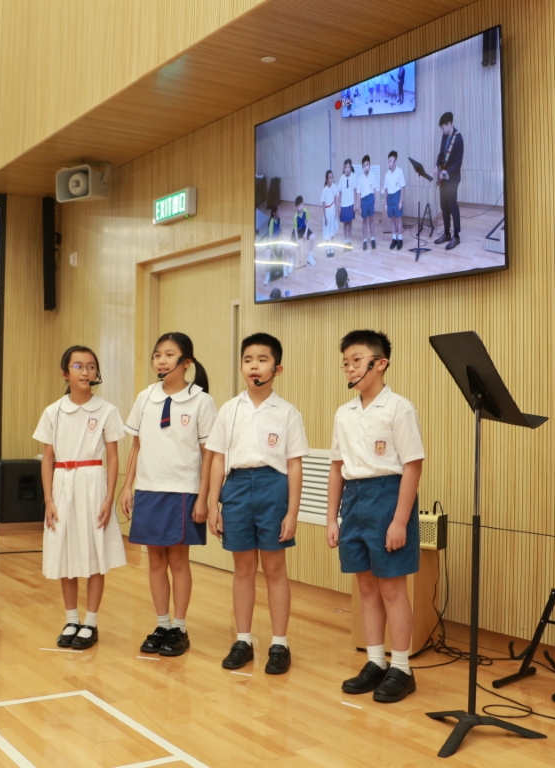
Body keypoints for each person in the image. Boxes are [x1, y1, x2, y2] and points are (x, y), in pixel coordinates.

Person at [326, 330, 424, 703]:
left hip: (388, 496)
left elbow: (413, 466)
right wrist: (332, 518)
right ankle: (375, 661)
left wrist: (399, 520)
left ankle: (401, 667)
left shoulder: (399, 408)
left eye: (357, 360)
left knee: (392, 588)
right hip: (354, 500)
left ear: (380, 363)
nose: (350, 368)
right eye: (345, 363)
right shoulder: (344, 413)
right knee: (366, 587)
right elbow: (337, 467)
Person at [206, 333, 308, 674]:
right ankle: (243, 640)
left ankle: (279, 644)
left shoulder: (288, 413)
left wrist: (292, 511)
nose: (254, 366)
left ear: (277, 369)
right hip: (236, 488)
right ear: (241, 367)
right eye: (248, 360)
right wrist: (212, 503)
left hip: (273, 487)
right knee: (243, 569)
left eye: (262, 360)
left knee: (275, 569)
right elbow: (217, 459)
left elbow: (295, 464)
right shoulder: (229, 409)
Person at [119, 332, 216, 657]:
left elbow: (209, 455)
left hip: (183, 492)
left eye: (169, 354)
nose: (161, 360)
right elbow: (136, 445)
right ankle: (162, 624)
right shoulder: (145, 397)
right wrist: (127, 486)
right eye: (157, 354)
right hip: (148, 490)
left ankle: (180, 628)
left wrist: (204, 497)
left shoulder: (201, 400)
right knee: (155, 560)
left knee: (178, 560)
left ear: (186, 362)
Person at [34, 345, 127, 650]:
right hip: (62, 483)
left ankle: (91, 622)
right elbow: (48, 458)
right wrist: (49, 500)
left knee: (95, 552)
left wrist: (109, 498)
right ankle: (71, 619)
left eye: (90, 366)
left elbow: (113, 457)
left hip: (93, 482)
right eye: (78, 366)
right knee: (65, 551)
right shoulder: (53, 411)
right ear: (65, 373)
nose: (85, 371)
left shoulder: (107, 410)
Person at [434, 112, 464, 251]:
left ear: (450, 124)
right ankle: (446, 233)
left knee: (452, 206)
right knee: (444, 205)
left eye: (443, 127)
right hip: (443, 178)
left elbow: (458, 163)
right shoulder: (444, 136)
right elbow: (441, 154)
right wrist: (436, 166)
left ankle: (456, 236)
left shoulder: (458, 139)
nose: (442, 130)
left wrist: (447, 172)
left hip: (452, 179)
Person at [383, 151, 406, 251]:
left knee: (398, 220)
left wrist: (401, 201)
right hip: (390, 198)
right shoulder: (387, 174)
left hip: (397, 197)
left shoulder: (399, 172)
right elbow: (385, 189)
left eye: (391, 161)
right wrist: (385, 203)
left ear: (395, 161)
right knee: (392, 220)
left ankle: (400, 239)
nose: (390, 163)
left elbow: (403, 188)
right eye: (388, 161)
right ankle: (394, 239)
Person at [358, 155, 377, 251]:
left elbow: (375, 190)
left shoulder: (373, 176)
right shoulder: (360, 179)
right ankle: (365, 240)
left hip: (371, 199)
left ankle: (372, 238)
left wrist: (375, 203)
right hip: (364, 201)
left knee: (371, 220)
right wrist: (359, 206)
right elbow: (358, 193)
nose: (366, 167)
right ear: (362, 167)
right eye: (364, 165)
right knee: (364, 221)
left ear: (370, 165)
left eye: (367, 165)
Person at [337, 159, 357, 249]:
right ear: (343, 169)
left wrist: (355, 204)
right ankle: (345, 239)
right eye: (345, 168)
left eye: (348, 167)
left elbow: (355, 191)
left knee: (350, 222)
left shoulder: (353, 177)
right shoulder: (341, 179)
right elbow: (339, 192)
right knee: (345, 224)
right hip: (343, 205)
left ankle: (349, 239)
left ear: (350, 168)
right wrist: (338, 206)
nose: (347, 169)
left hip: (351, 204)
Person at [292, 196, 316, 267]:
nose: (299, 208)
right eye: (297, 206)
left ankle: (310, 256)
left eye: (300, 205)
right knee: (291, 245)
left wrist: (305, 233)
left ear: (302, 204)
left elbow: (308, 222)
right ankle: (292, 260)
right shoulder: (295, 217)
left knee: (313, 237)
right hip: (297, 231)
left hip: (304, 229)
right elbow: (295, 231)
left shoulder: (305, 211)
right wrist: (297, 242)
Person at [320, 170, 338, 259]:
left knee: (332, 229)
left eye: (332, 177)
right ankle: (328, 247)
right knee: (327, 230)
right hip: (327, 211)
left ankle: (332, 247)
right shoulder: (324, 191)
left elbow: (335, 197)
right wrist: (325, 217)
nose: (331, 179)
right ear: (326, 180)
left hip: (333, 209)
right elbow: (323, 205)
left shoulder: (334, 186)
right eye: (330, 177)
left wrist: (336, 211)